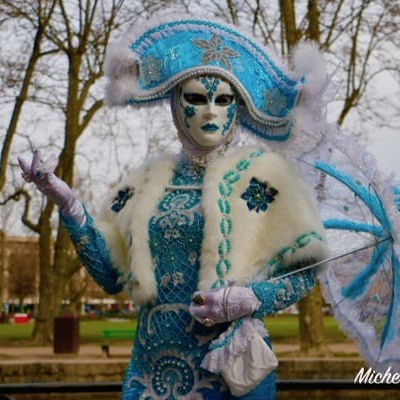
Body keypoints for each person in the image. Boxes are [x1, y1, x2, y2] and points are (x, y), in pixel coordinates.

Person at [18, 16, 330, 400]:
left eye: (223, 100)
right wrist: (67, 203)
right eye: (196, 99)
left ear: (238, 107)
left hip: (229, 374)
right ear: (174, 104)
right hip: (151, 376)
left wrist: (252, 299)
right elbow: (110, 275)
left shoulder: (263, 179)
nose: (210, 112)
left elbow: (303, 272)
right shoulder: (147, 182)